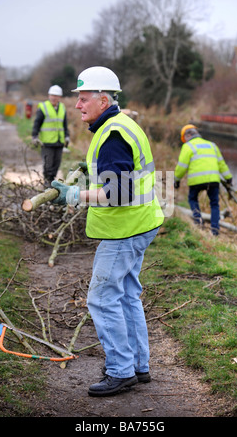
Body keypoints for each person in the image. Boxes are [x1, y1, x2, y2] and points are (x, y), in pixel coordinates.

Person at [51, 66, 164, 397]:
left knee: (101, 298)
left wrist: (74, 194)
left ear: (103, 100)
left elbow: (119, 193)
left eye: (83, 99)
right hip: (141, 223)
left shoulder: (113, 135)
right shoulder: (117, 125)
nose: (77, 105)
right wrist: (91, 172)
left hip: (124, 229)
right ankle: (138, 367)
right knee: (127, 294)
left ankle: (120, 371)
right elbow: (117, 175)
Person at [174, 124, 232, 236]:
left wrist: (176, 180)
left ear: (188, 135)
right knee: (214, 204)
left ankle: (198, 223)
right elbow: (222, 164)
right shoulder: (212, 145)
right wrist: (228, 178)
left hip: (196, 181)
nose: (184, 141)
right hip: (213, 180)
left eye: (184, 138)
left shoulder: (188, 146)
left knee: (192, 199)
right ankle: (215, 230)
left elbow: (181, 166)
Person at [32, 85, 70, 187]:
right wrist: (34, 137)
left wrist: (67, 136)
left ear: (60, 97)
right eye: (52, 95)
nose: (54, 97)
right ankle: (47, 183)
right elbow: (37, 123)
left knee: (56, 165)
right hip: (47, 142)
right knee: (48, 165)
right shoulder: (43, 107)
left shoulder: (62, 107)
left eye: (56, 96)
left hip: (59, 142)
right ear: (49, 96)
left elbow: (64, 124)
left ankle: (51, 183)